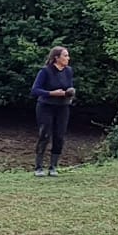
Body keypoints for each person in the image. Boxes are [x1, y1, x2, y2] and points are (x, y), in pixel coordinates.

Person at [31, 46, 75, 177]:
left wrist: (70, 93)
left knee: (59, 135)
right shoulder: (45, 71)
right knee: (45, 134)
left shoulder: (68, 71)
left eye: (68, 55)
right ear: (57, 57)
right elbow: (35, 90)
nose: (68, 58)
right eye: (65, 56)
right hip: (46, 106)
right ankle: (38, 167)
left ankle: (53, 166)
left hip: (62, 107)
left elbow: (69, 86)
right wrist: (51, 93)